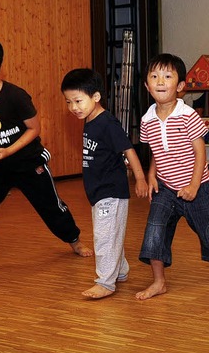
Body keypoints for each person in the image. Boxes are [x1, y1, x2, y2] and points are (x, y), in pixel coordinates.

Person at [0, 37, 93, 276]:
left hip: (28, 161)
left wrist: (9, 150)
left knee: (51, 208)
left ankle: (74, 240)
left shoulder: (16, 95)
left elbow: (34, 129)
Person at [135, 53, 209, 301]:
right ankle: (159, 281)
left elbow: (200, 153)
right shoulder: (147, 120)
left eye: (167, 76)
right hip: (166, 189)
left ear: (179, 87)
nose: (160, 81)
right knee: (155, 230)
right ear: (147, 85)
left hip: (197, 187)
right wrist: (151, 175)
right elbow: (157, 152)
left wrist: (192, 185)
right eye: (155, 76)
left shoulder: (187, 115)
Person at [61, 68, 148, 299]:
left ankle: (105, 282)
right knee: (109, 232)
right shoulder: (90, 120)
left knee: (104, 236)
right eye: (69, 102)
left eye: (78, 101)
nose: (73, 107)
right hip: (98, 191)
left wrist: (140, 178)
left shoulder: (107, 122)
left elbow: (128, 149)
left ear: (96, 97)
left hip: (111, 191)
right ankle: (119, 270)